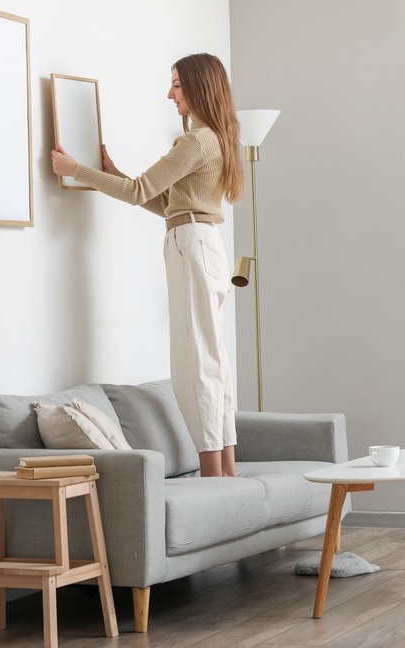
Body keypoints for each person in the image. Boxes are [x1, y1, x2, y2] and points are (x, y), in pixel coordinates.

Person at [51, 53, 243, 478]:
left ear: (197, 87)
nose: (169, 93)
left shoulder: (195, 141)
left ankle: (213, 476)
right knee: (212, 359)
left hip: (190, 244)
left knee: (195, 361)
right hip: (203, 241)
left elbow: (140, 191)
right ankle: (226, 472)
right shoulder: (217, 138)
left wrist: (76, 169)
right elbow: (164, 202)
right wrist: (112, 174)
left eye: (176, 84)